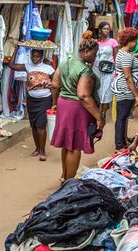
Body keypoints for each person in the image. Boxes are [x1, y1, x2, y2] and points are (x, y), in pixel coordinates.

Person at [51, 31, 104, 182]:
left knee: (67, 143)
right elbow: (83, 95)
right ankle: (69, 183)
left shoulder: (66, 61)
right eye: (94, 53)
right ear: (86, 52)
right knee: (75, 146)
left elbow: (55, 85)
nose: (95, 57)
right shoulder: (84, 70)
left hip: (63, 104)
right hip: (77, 108)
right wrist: (98, 117)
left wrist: (55, 103)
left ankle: (64, 176)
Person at [9, 47, 55, 161]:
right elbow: (12, 65)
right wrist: (16, 49)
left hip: (45, 100)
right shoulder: (28, 66)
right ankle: (37, 148)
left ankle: (43, 151)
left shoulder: (48, 68)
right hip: (32, 100)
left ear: (42, 56)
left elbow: (56, 84)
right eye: (33, 56)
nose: (35, 58)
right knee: (34, 125)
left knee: (41, 126)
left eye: (38, 56)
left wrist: (55, 102)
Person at [111, 27, 138, 151]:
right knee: (122, 116)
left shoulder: (123, 53)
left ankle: (123, 139)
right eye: (135, 40)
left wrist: (134, 57)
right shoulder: (126, 56)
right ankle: (119, 144)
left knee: (124, 115)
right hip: (125, 90)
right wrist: (136, 95)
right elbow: (128, 77)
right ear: (130, 41)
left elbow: (129, 60)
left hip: (123, 89)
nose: (136, 43)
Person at [93, 22, 119, 115]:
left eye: (108, 29)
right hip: (96, 70)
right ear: (100, 30)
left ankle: (103, 113)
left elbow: (116, 57)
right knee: (97, 91)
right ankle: (96, 114)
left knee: (106, 92)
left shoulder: (113, 42)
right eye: (104, 28)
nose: (106, 31)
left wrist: (117, 71)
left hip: (109, 71)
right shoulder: (95, 42)